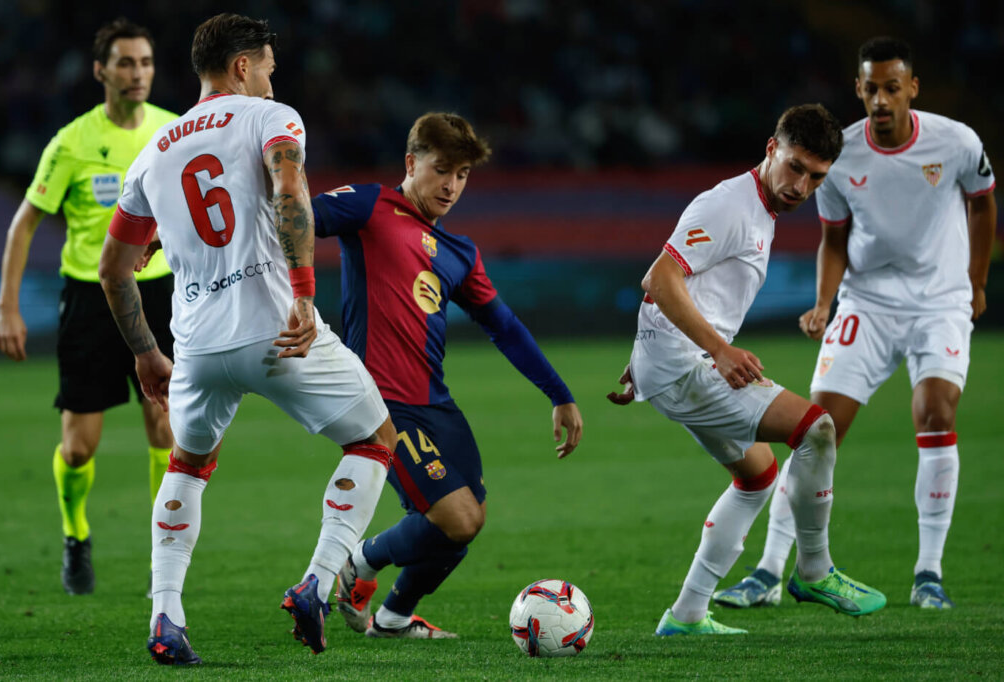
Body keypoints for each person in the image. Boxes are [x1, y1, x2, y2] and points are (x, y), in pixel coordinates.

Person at [98, 13, 398, 665]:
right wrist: (304, 293)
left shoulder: (154, 151)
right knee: (375, 441)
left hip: (197, 345)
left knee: (187, 465)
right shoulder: (272, 118)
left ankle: (165, 617)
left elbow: (113, 268)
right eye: (266, 66)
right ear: (242, 66)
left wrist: (145, 350)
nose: (271, 79)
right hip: (274, 328)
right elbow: (290, 189)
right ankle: (317, 581)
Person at [715, 37, 996, 611]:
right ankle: (770, 571)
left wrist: (977, 281)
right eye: (871, 87)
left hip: (939, 300)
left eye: (893, 87)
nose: (881, 98)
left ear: (912, 88)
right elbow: (834, 238)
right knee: (816, 428)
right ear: (859, 89)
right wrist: (825, 301)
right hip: (867, 302)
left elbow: (983, 202)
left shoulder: (957, 141)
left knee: (937, 411)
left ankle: (929, 573)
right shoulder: (840, 157)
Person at [608, 104, 887, 636]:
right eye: (795, 167)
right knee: (817, 428)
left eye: (816, 177)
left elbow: (689, 288)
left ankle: (687, 614)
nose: (802, 186)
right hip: (689, 367)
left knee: (757, 477)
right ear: (770, 149)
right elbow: (659, 278)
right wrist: (717, 349)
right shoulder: (729, 205)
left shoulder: (761, 208)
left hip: (671, 363)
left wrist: (643, 356)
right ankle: (814, 569)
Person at [311, 112, 583, 639]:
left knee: (466, 522)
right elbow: (292, 216)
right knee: (455, 517)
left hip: (436, 402)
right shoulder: (370, 207)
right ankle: (357, 564)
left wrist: (560, 394)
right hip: (382, 403)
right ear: (411, 163)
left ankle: (391, 619)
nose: (452, 186)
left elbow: (503, 326)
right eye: (442, 170)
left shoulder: (460, 253)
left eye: (462, 175)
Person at [0, 18, 177, 596]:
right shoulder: (72, 142)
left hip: (161, 294)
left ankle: (163, 552)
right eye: (126, 63)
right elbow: (23, 225)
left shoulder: (174, 132)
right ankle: (76, 534)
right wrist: (8, 308)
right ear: (101, 71)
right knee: (79, 447)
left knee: (166, 430)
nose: (137, 73)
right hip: (90, 295)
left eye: (145, 62)